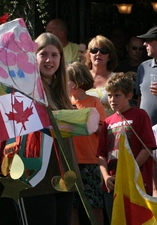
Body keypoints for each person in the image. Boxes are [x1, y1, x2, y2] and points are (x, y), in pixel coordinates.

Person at [15, 33, 75, 225]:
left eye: (54, 55)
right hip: (37, 177)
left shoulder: (63, 93)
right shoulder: (26, 89)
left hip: (64, 175)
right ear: (34, 57)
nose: (49, 60)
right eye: (43, 54)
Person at [97, 72, 156, 220]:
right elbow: (101, 154)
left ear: (129, 96)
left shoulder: (140, 115)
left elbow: (147, 148)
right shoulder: (107, 122)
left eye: (117, 95)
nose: (112, 100)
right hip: (112, 185)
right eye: (109, 95)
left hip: (136, 183)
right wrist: (105, 177)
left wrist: (129, 170)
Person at [67, 62, 105, 225]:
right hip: (70, 162)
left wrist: (82, 118)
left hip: (90, 161)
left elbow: (101, 129)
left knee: (94, 204)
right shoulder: (65, 102)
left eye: (65, 80)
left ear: (75, 83)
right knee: (72, 206)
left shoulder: (94, 102)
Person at [84, 35, 118, 117]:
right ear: (89, 55)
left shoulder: (116, 79)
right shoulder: (80, 77)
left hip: (109, 127)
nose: (98, 53)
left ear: (109, 56)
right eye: (94, 50)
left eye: (103, 51)